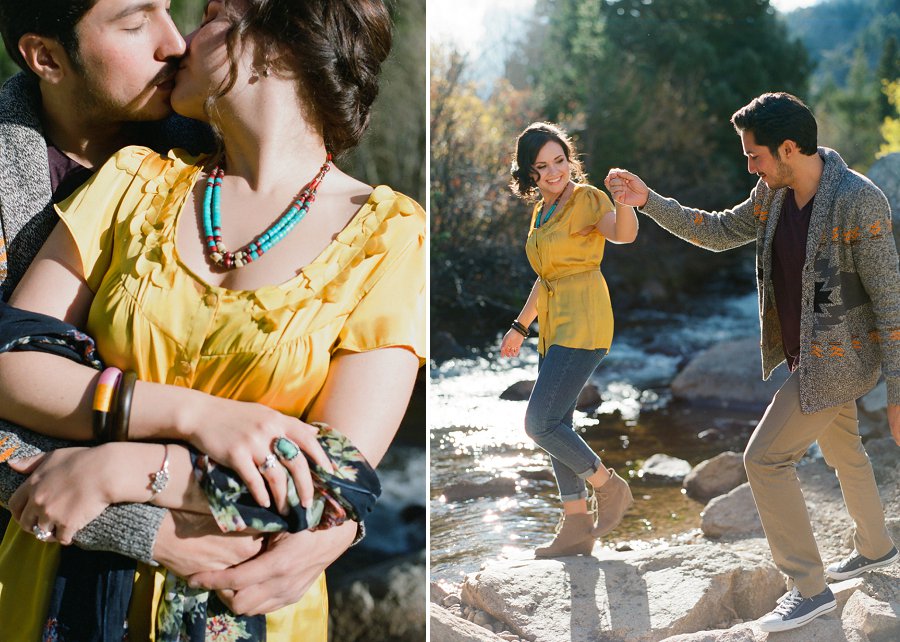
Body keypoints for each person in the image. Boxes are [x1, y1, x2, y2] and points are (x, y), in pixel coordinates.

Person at [0, 0, 425, 639]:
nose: (180, 43)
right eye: (138, 20)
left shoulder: (391, 238)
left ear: (282, 46)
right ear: (47, 57)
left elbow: (338, 477)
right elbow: (11, 360)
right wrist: (193, 424)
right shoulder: (134, 180)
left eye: (210, 17)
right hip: (60, 586)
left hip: (242, 602)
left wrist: (123, 470)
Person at [606, 92, 899, 633]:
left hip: (839, 362)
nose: (750, 166)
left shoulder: (861, 200)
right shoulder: (773, 193)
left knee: (764, 459)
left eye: (755, 155)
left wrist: (899, 395)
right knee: (845, 450)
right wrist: (648, 200)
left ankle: (809, 589)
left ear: (789, 148)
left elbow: (891, 300)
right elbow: (717, 230)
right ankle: (877, 547)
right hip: (805, 353)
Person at [499, 122, 637, 558]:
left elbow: (623, 233)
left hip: (586, 318)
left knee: (538, 424)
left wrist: (625, 202)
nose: (555, 171)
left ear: (569, 158)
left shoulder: (587, 199)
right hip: (553, 328)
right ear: (530, 174)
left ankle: (609, 486)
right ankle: (576, 523)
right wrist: (520, 327)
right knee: (559, 424)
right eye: (543, 166)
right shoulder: (540, 214)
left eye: (559, 160)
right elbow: (545, 278)